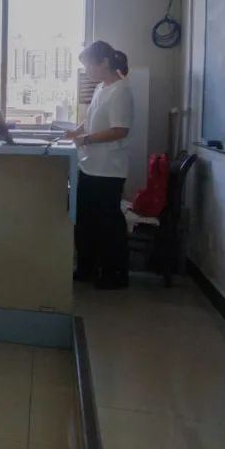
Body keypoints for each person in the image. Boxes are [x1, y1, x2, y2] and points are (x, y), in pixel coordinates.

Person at [64, 41, 133, 289]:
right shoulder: (101, 88)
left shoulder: (120, 90)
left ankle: (115, 275)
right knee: (85, 220)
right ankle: (86, 268)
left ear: (104, 62)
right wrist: (74, 133)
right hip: (89, 165)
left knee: (108, 224)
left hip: (108, 169)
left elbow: (120, 130)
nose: (87, 71)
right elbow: (91, 119)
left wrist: (86, 139)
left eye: (89, 66)